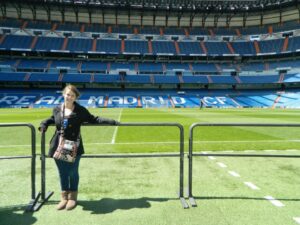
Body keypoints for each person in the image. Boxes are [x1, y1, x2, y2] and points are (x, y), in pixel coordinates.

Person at [39, 84, 119, 210]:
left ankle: (72, 197)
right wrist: (44, 124)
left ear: (75, 97)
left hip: (73, 146)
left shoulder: (80, 110)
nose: (69, 97)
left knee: (72, 172)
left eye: (72, 95)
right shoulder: (57, 109)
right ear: (63, 94)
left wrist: (112, 121)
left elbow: (94, 119)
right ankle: (64, 197)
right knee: (62, 172)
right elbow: (51, 119)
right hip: (58, 145)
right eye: (67, 94)